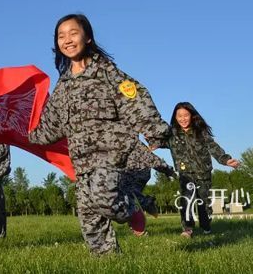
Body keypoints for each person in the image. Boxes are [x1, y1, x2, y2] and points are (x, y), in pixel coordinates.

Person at [28, 13, 171, 256]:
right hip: (82, 160)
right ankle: (109, 262)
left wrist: (156, 132)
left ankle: (134, 208)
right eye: (61, 36)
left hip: (111, 153)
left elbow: (134, 99)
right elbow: (52, 124)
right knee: (90, 219)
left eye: (73, 33)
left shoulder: (107, 72)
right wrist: (30, 135)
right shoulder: (63, 85)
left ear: (88, 38)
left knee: (105, 199)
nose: (68, 40)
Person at [154, 102, 239, 238]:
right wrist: (154, 143)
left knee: (203, 203)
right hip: (185, 174)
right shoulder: (172, 134)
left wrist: (226, 160)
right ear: (175, 117)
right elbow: (161, 141)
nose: (183, 119)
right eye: (179, 116)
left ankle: (206, 227)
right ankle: (187, 229)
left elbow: (213, 147)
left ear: (192, 116)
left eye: (186, 115)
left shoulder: (200, 132)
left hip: (203, 173)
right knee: (186, 200)